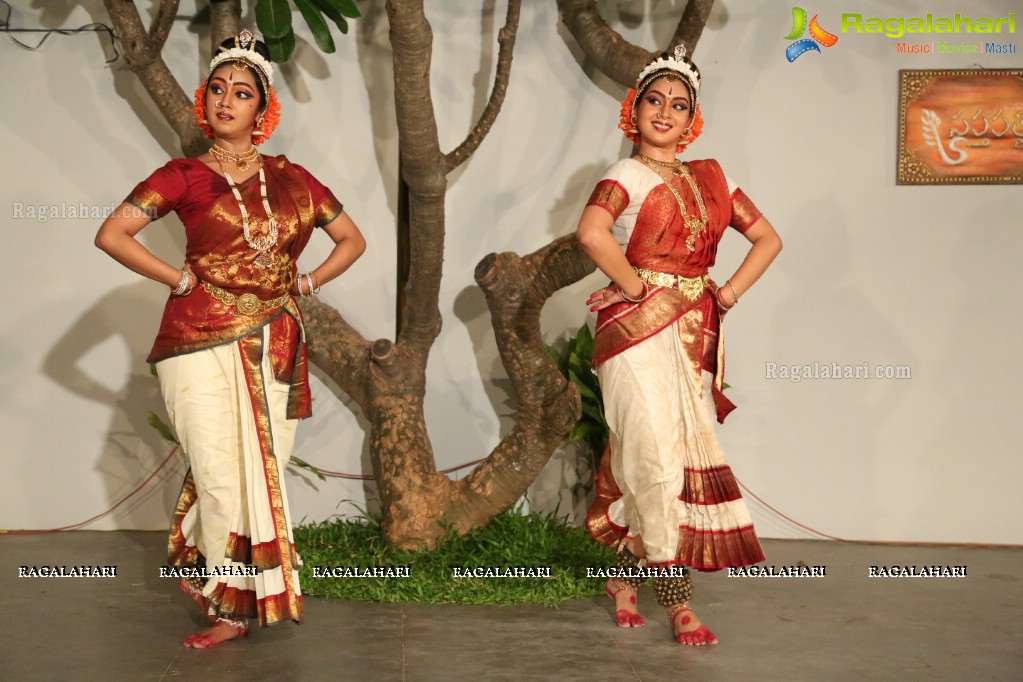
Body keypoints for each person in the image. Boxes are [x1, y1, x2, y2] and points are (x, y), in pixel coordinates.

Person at [95, 30, 366, 648]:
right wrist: (176, 275)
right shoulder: (183, 174)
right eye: (217, 89)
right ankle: (224, 594)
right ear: (205, 100)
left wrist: (310, 280)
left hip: (273, 338)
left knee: (255, 472)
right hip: (194, 339)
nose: (225, 101)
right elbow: (114, 232)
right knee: (219, 473)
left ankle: (241, 602)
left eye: (241, 93)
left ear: (261, 110)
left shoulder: (292, 177)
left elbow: (352, 239)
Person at [578, 45, 782, 646]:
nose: (665, 112)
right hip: (635, 333)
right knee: (654, 457)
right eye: (654, 100)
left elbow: (767, 237)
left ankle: (623, 579)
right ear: (633, 108)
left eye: (679, 104)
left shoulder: (715, 177)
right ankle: (679, 602)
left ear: (692, 120)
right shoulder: (624, 175)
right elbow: (592, 233)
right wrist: (638, 286)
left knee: (661, 458)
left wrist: (729, 294)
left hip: (693, 333)